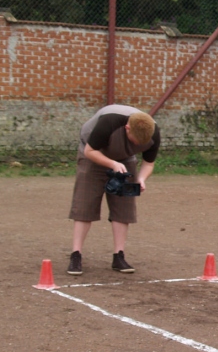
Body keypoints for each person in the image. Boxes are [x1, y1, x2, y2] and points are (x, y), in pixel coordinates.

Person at [67, 104, 160, 276]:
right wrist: (112, 164)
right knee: (85, 204)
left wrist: (141, 179)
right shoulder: (109, 123)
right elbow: (90, 151)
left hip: (125, 158)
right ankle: (76, 255)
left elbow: (149, 163)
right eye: (134, 140)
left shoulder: (153, 132)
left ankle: (119, 256)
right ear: (127, 128)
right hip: (93, 154)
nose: (137, 144)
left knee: (124, 207)